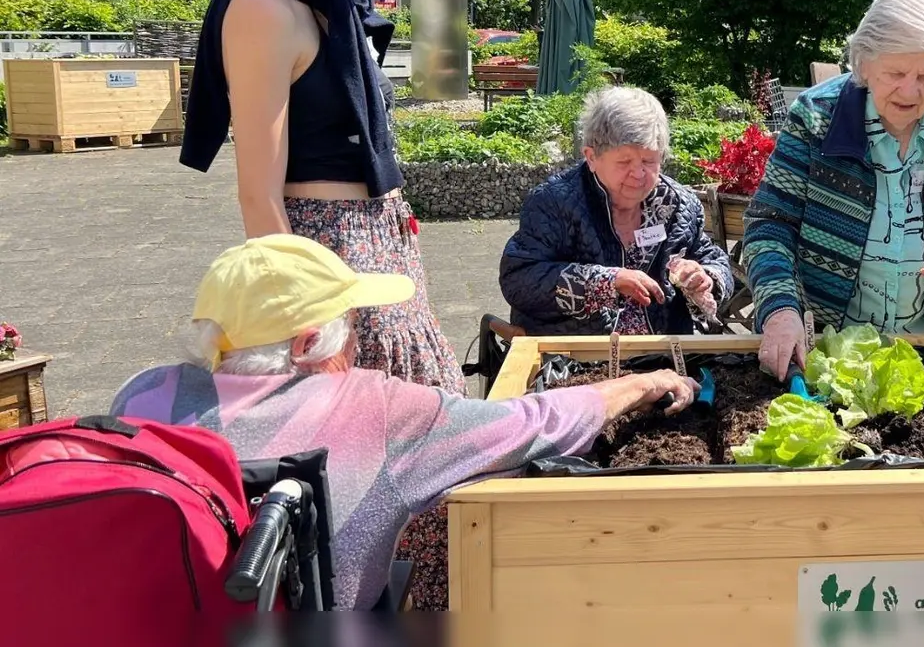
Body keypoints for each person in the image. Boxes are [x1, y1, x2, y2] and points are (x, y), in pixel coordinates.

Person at [176, 0, 464, 608]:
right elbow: (257, 193)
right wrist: (308, 324)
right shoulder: (265, 3)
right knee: (365, 469)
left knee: (420, 456)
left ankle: (413, 610)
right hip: (321, 252)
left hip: (374, 247)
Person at [110, 234, 697, 611]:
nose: (360, 334)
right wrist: (642, 384)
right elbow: (532, 422)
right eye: (351, 321)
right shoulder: (377, 408)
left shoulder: (141, 397)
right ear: (310, 341)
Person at [743, 0, 924, 377]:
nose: (910, 90)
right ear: (864, 64)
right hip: (825, 350)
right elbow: (769, 223)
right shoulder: (817, 118)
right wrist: (780, 308)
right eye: (896, 72)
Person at [500, 86, 735, 336]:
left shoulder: (678, 205)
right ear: (591, 157)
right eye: (624, 162)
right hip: (577, 358)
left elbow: (715, 260)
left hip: (665, 353)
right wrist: (605, 282)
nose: (638, 174)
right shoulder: (553, 203)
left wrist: (705, 278)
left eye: (649, 161)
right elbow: (518, 279)